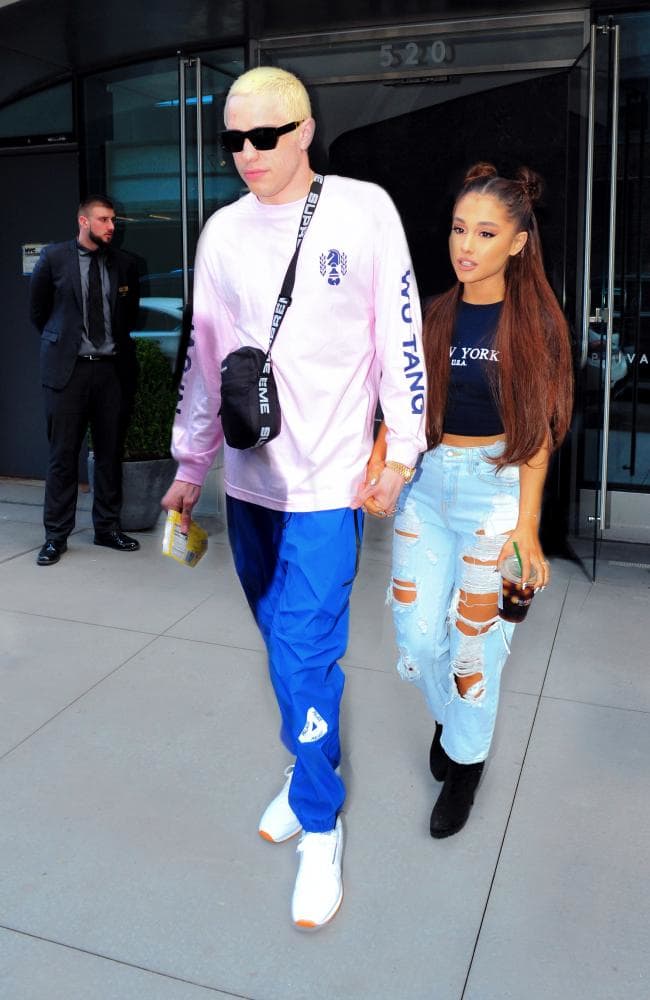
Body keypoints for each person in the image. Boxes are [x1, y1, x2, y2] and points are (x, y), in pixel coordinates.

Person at [162, 66, 427, 929]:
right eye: (232, 139)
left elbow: (402, 336)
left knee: (306, 655)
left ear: (305, 131)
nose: (246, 154)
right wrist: (191, 466)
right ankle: (305, 761)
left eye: (263, 137)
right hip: (249, 487)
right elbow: (205, 360)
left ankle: (321, 823)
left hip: (329, 486)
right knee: (283, 651)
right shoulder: (222, 232)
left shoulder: (364, 210)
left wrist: (402, 449)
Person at [360, 162, 573, 839]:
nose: (466, 245)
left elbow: (537, 432)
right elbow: (404, 401)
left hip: (496, 490)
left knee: (473, 648)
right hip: (428, 484)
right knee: (420, 638)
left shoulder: (532, 320)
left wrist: (529, 529)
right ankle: (454, 722)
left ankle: (466, 761)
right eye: (459, 229)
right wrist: (382, 463)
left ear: (516, 242)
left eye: (485, 233)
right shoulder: (437, 312)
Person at [30, 195, 141, 565]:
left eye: (113, 220)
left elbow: (129, 318)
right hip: (68, 371)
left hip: (111, 371)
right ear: (83, 221)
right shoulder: (54, 259)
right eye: (104, 220)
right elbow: (39, 312)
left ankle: (107, 528)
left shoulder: (125, 264)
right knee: (63, 455)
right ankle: (55, 536)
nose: (112, 226)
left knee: (109, 452)